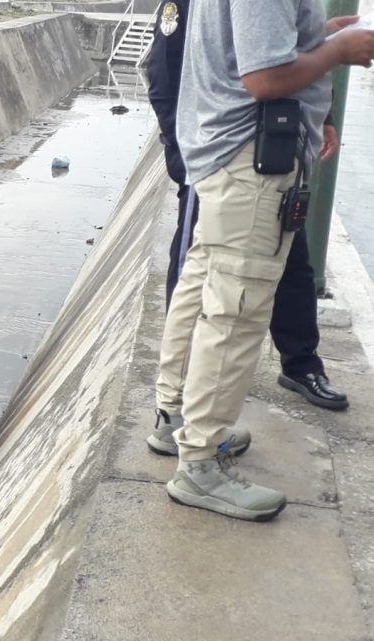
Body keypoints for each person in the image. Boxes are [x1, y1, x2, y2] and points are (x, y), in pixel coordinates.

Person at [150, 0, 374, 521]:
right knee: (237, 310)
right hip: (252, 160)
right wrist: (338, 50)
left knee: (203, 283)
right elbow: (265, 78)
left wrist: (323, 34)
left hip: (225, 154)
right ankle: (200, 464)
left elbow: (254, 45)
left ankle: (175, 416)